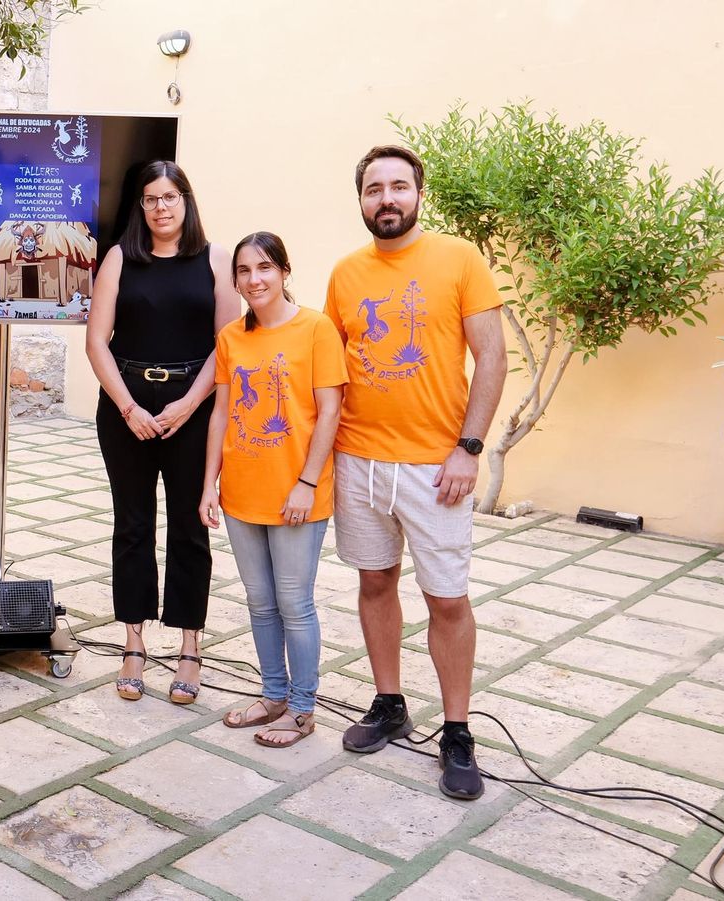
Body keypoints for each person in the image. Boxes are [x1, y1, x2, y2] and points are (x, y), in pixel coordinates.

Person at [325, 145, 507, 799]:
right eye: (374, 189)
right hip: (359, 460)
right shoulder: (345, 273)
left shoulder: (460, 259)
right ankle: (389, 700)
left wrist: (470, 446)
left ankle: (457, 729)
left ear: (419, 195)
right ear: (362, 200)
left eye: (399, 186)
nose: (387, 199)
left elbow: (491, 356)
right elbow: (334, 370)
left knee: (448, 597)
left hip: (436, 466)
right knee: (375, 581)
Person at [85, 161, 239, 705]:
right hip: (126, 405)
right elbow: (96, 341)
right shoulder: (120, 259)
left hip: (193, 406)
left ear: (186, 201)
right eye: (150, 199)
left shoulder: (216, 260)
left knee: (190, 527)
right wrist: (128, 408)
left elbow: (229, 344)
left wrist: (187, 404)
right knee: (132, 524)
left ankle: (189, 647)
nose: (161, 207)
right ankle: (132, 644)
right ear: (141, 207)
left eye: (170, 197)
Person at [201, 232, 345, 748]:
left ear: (284, 271)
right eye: (243, 271)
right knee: (260, 603)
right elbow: (220, 414)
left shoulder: (317, 329)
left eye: (264, 268)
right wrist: (208, 485)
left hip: (296, 494)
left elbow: (330, 410)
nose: (254, 279)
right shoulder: (231, 339)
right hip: (241, 492)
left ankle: (303, 709)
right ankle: (273, 695)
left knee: (294, 602)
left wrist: (307, 483)